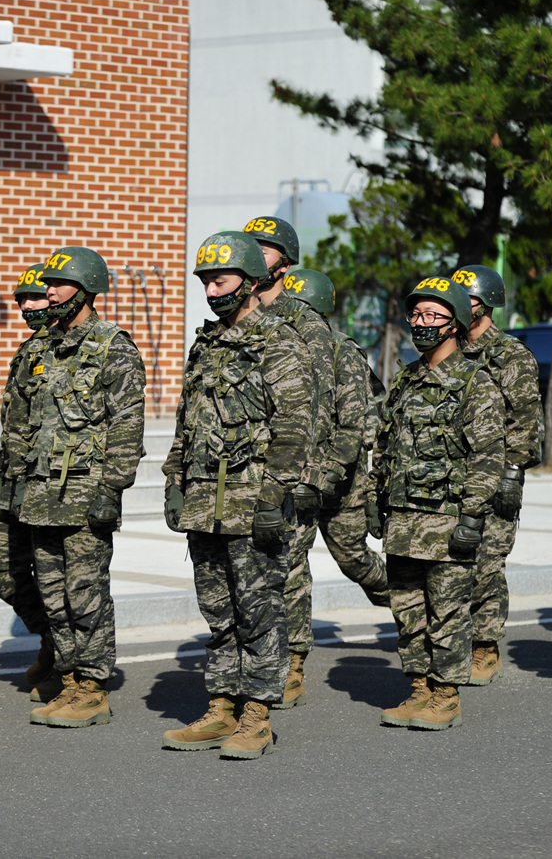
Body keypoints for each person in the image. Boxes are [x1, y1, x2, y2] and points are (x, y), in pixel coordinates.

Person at [160, 231, 309, 758]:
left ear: (249, 282)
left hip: (253, 500)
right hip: (205, 500)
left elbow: (294, 426)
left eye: (219, 279)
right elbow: (187, 422)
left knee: (260, 610)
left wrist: (273, 497)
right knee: (218, 611)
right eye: (204, 281)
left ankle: (258, 716)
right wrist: (174, 480)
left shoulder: (280, 341)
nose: (210, 289)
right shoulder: (206, 343)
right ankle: (222, 707)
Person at [19, 246, 144, 728]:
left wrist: (111, 490)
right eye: (47, 284)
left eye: (58, 284)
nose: (48, 291)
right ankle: (68, 680)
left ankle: (92, 686)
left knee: (85, 591)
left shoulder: (114, 346)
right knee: (53, 594)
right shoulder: (42, 346)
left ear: (87, 288)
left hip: (85, 494)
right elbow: (24, 421)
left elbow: (127, 426)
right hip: (40, 495)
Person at [372, 276, 502, 731]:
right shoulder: (406, 377)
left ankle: (446, 696)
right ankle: (419, 689)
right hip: (403, 520)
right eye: (417, 314)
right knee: (407, 610)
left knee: (447, 611)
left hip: (447, 522)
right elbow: (384, 444)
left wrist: (472, 516)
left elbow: (488, 457)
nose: (422, 322)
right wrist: (375, 497)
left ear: (455, 323)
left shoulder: (475, 381)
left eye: (433, 315)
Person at [243, 215, 334, 709]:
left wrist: (308, 476)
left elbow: (315, 406)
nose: (256, 255)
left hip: (290, 472)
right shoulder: (237, 316)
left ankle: (292, 662)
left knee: (286, 569)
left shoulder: (303, 322)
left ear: (286, 262)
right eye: (250, 246)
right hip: (240, 476)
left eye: (266, 248)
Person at [451, 264, 543, 685]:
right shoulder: (448, 349)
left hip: (495, 475)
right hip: (451, 477)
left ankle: (485, 647)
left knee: (486, 563)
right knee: (453, 563)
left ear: (486, 304)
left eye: (468, 300)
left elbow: (525, 421)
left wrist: (512, 473)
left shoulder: (509, 355)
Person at [280, 267, 389, 608]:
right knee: (290, 565)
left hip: (342, 480)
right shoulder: (280, 347)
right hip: (296, 476)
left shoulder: (342, 350)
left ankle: (408, 601)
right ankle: (293, 657)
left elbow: (355, 422)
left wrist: (330, 475)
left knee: (352, 557)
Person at [0, 264, 55, 696]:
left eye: (34, 298)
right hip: (17, 482)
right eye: (21, 299)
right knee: (2, 570)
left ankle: (69, 661)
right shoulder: (28, 351)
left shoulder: (73, 352)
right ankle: (51, 636)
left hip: (56, 486)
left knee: (59, 580)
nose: (26, 306)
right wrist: (1, 473)